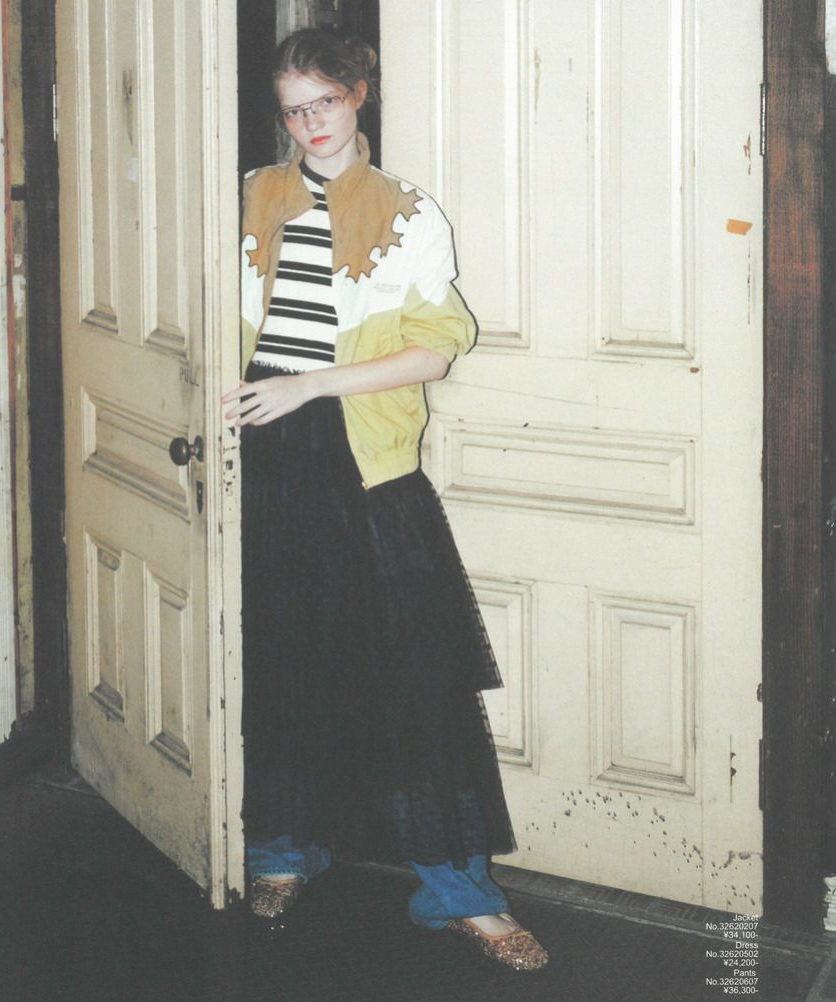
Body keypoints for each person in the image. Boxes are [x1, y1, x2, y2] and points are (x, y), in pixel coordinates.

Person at [221, 28, 548, 972]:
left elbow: (437, 350)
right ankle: (281, 850)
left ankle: (460, 893)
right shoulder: (249, 196)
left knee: (414, 679)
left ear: (359, 93)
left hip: (362, 460)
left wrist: (310, 385)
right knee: (276, 660)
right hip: (261, 455)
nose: (310, 124)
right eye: (293, 109)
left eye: (325, 101)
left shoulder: (406, 212)